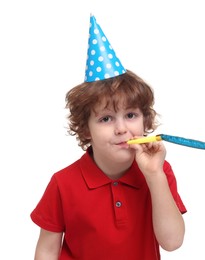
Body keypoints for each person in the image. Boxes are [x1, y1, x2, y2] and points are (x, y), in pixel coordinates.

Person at [30, 14, 187, 260]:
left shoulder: (159, 172)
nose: (121, 128)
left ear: (145, 120)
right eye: (106, 118)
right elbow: (47, 249)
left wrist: (154, 176)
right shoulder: (63, 183)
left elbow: (172, 242)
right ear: (85, 129)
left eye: (131, 115)